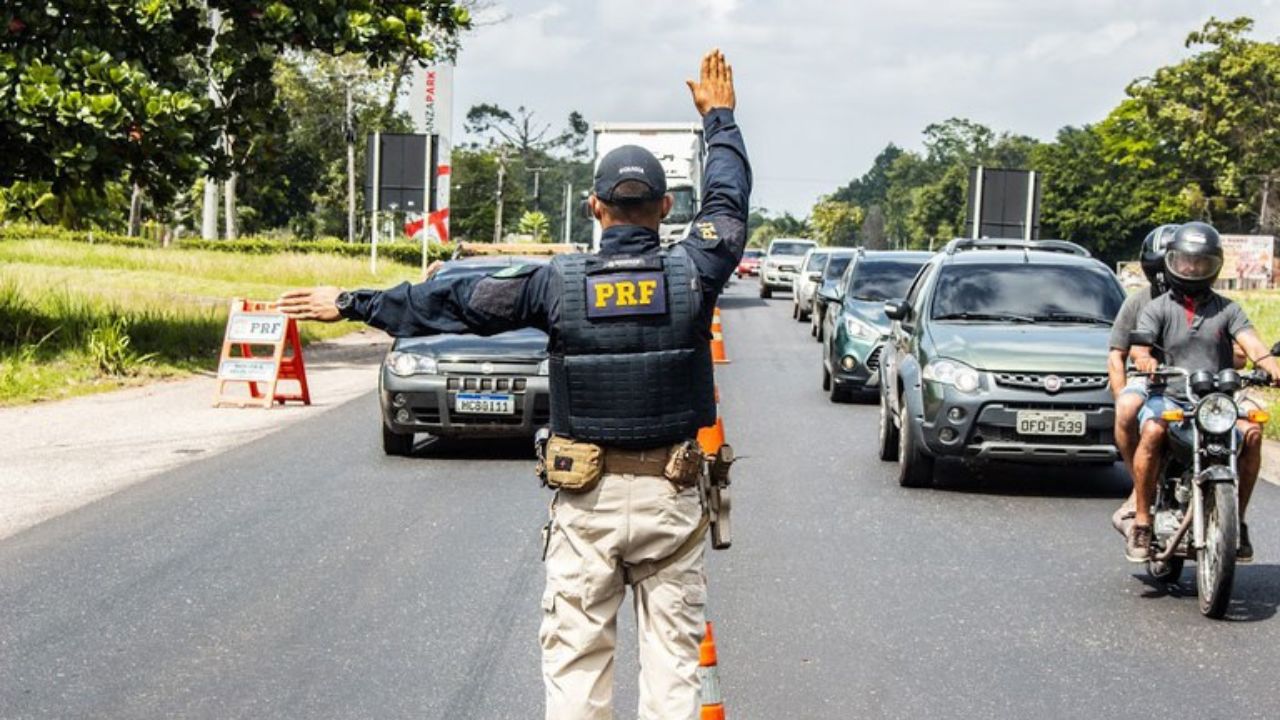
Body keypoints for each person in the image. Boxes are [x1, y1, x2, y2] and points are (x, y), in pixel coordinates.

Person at [278, 49, 749, 720]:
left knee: (577, 669)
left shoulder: (553, 286)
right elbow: (729, 203)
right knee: (674, 669)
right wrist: (720, 120)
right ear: (667, 207)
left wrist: (354, 302)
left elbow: (451, 303)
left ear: (594, 207)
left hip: (585, 504)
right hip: (672, 498)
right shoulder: (695, 273)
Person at [1126, 221, 1280, 563]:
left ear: (1215, 265)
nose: (1193, 269)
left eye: (1202, 262)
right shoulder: (1159, 307)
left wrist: (1270, 364)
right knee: (1151, 430)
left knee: (1252, 433)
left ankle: (1236, 522)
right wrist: (1145, 360)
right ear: (1173, 262)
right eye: (1187, 262)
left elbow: (1251, 341)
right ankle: (1141, 520)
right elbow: (1140, 347)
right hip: (1171, 396)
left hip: (1218, 401)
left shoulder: (1228, 308)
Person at [1107, 225, 1177, 537]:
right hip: (1148, 381)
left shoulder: (1212, 303)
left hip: (1198, 382)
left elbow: (1240, 351)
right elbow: (1117, 355)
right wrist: (1121, 392)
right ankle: (1139, 486)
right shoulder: (1137, 302)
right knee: (1127, 407)